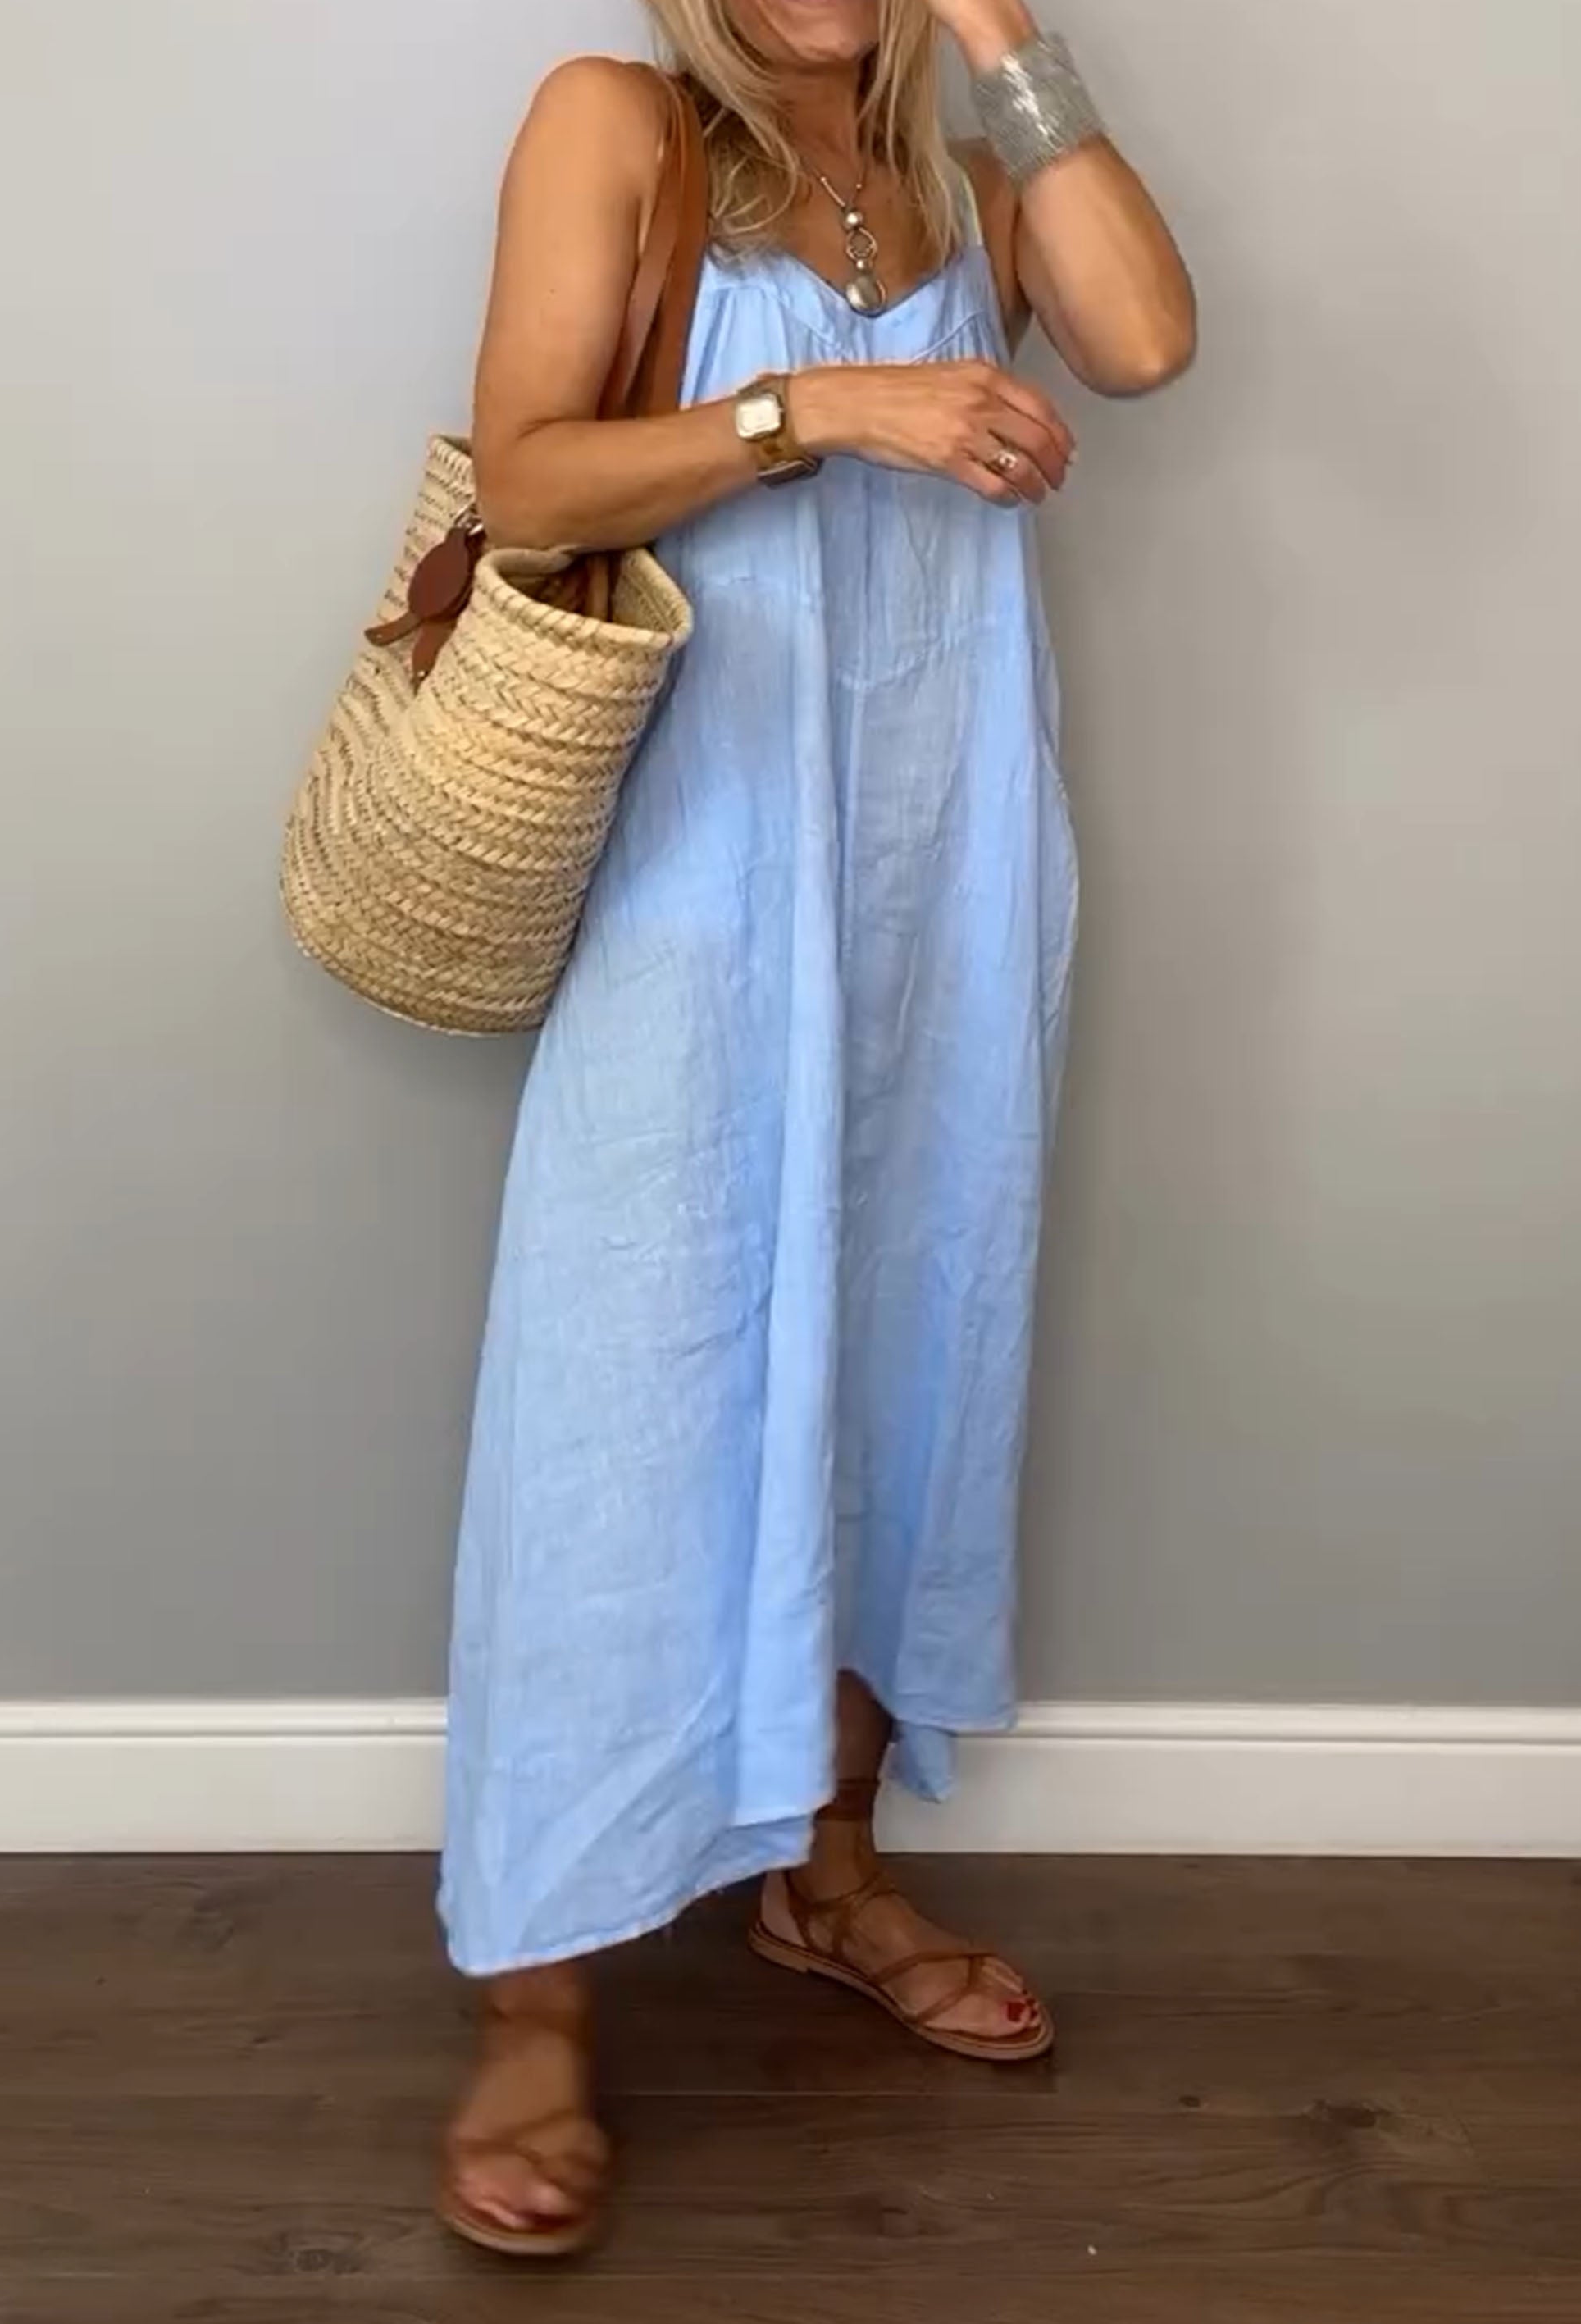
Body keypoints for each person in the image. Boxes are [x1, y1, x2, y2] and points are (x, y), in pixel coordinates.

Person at [438, 0, 1196, 2258]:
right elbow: (524, 481)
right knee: (627, 1385)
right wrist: (824, 408)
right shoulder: (622, 125)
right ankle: (537, 1988)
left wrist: (1002, 36)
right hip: (703, 854)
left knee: (907, 1348)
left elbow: (1146, 341)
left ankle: (829, 1875)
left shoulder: (968, 164)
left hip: (947, 857)